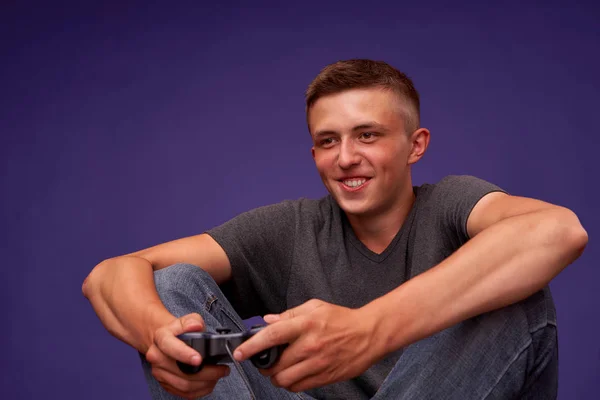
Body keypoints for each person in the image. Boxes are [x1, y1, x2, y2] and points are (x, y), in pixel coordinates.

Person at [82, 59, 588, 400]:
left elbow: (557, 230)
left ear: (416, 145)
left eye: (367, 135)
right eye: (328, 141)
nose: (346, 158)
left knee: (516, 296)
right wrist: (156, 334)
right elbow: (113, 273)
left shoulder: (452, 204)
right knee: (170, 286)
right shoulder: (294, 227)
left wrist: (366, 331)